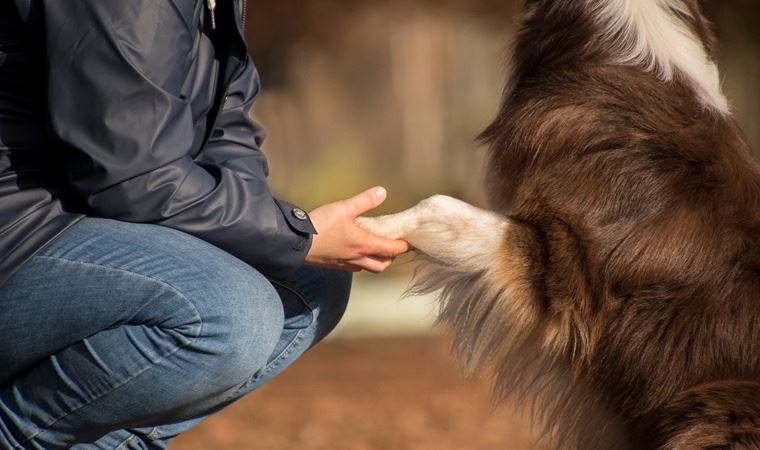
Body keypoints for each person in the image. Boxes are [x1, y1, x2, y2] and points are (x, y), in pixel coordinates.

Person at [0, 1, 410, 448]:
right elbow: (135, 176)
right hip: (20, 233)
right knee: (230, 313)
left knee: (309, 281)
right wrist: (292, 236)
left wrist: (285, 240)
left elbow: (225, 125)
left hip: (76, 216)